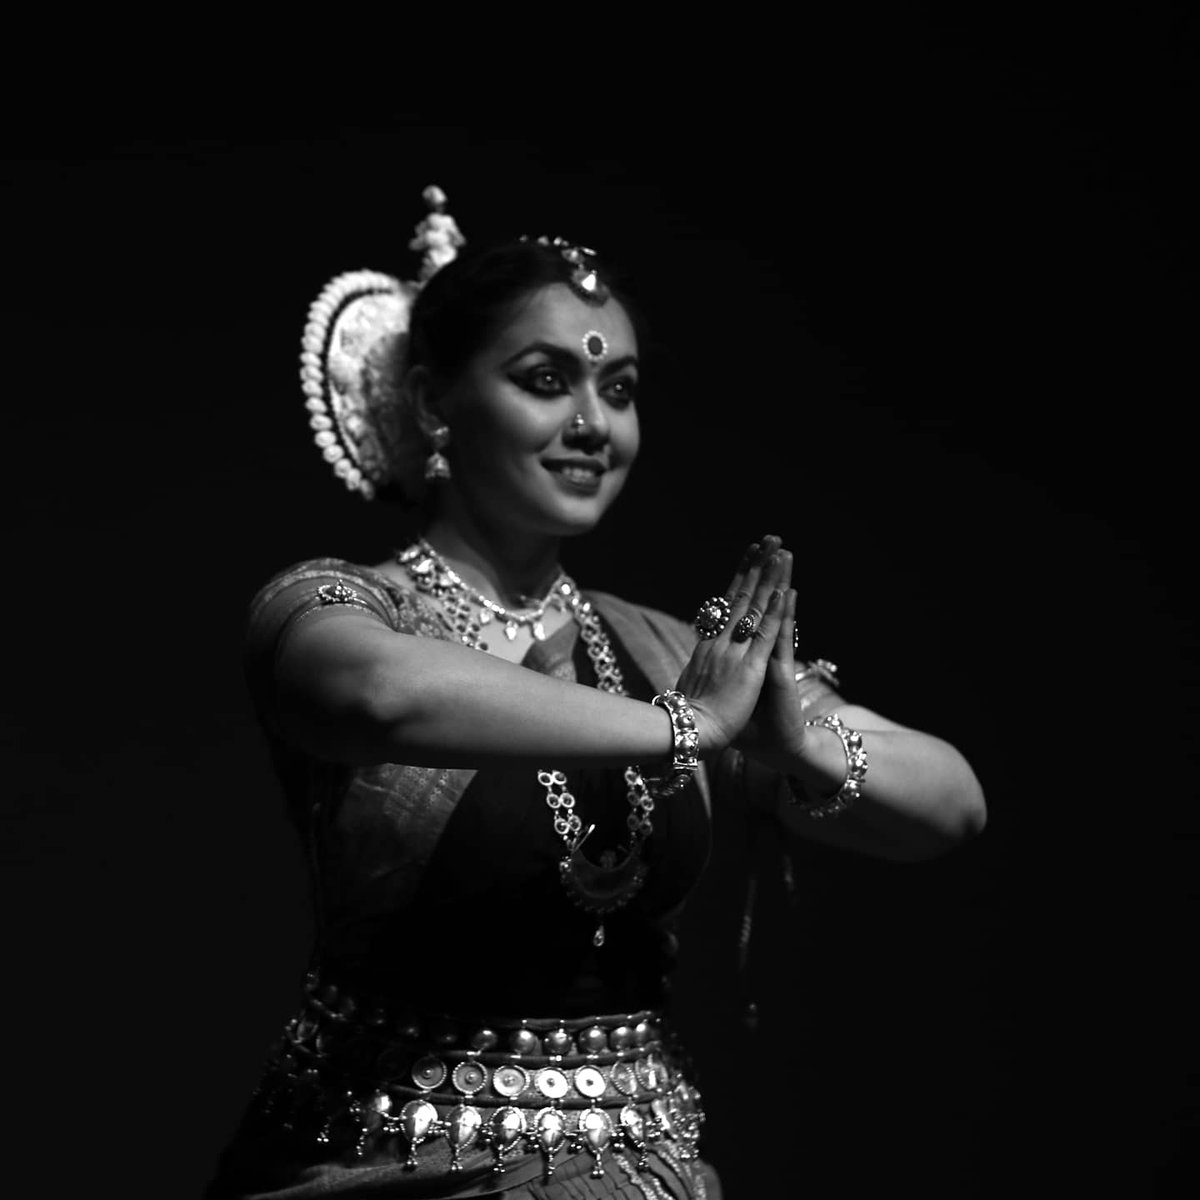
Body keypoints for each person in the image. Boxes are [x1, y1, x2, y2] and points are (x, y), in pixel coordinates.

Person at [205, 188, 986, 1200]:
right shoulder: (339, 609)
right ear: (435, 403)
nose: (591, 425)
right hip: (378, 1164)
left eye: (618, 389)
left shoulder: (663, 650)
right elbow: (376, 697)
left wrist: (797, 743)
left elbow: (953, 805)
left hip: (640, 1170)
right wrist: (686, 727)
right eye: (545, 381)